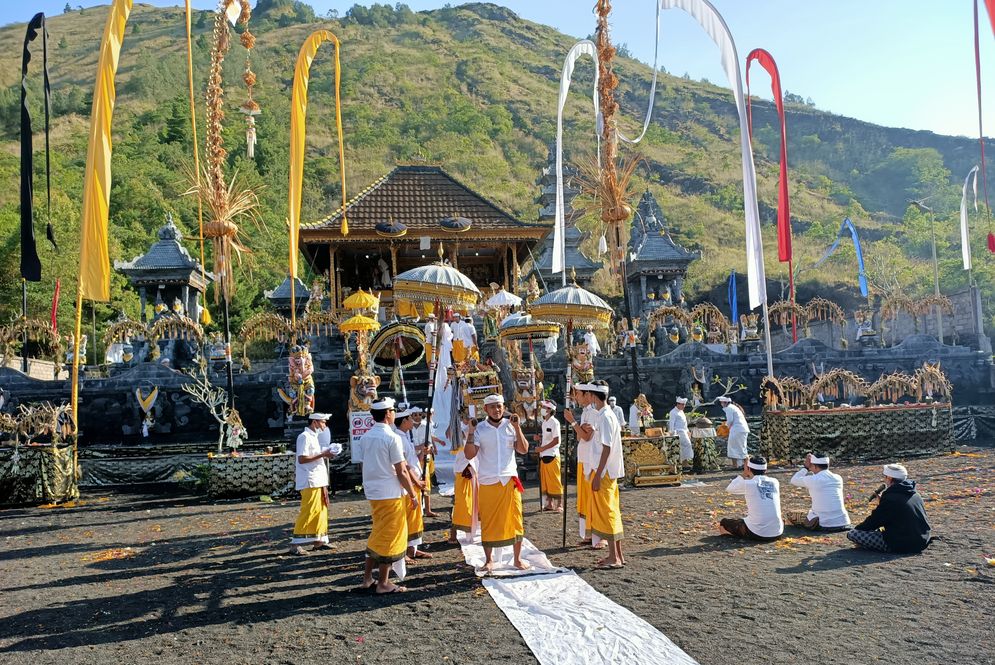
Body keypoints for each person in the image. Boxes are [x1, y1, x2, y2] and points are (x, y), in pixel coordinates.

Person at [464, 394, 529, 572]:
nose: (496, 410)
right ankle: (489, 559)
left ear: (503, 406)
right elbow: (469, 454)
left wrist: (517, 427)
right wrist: (470, 432)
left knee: (516, 520)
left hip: (509, 480)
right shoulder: (480, 429)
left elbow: (523, 449)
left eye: (499, 406)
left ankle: (517, 558)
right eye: (492, 407)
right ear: (485, 409)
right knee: (489, 522)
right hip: (488, 480)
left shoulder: (511, 426)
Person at [360, 397, 419, 593]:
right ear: (387, 414)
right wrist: (412, 494)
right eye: (393, 410)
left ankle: (368, 578)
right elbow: (401, 471)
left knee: (378, 532)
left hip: (374, 490)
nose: (394, 413)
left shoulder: (366, 437)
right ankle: (383, 582)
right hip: (389, 492)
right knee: (389, 535)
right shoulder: (391, 437)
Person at [847, 464, 932, 553]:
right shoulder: (915, 494)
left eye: (885, 477)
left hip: (903, 543)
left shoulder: (891, 498)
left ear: (890, 478)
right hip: (922, 540)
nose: (884, 479)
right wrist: (882, 503)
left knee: (852, 534)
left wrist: (858, 529)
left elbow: (874, 521)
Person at [585, 381, 626, 568]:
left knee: (608, 511)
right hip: (606, 470)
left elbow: (607, 448)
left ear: (594, 397)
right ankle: (617, 555)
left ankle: (614, 557)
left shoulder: (605, 417)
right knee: (611, 510)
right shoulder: (606, 416)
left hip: (605, 471)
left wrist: (598, 474)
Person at [289, 413, 338, 555]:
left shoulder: (313, 437)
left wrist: (326, 453)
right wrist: (323, 454)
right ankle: (295, 543)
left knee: (321, 510)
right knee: (309, 510)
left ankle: (319, 541)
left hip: (318, 479)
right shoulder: (304, 437)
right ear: (315, 422)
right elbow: (302, 459)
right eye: (323, 422)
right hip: (310, 480)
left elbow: (314, 456)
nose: (324, 425)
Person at [564, 384, 603, 548]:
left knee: (593, 498)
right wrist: (578, 428)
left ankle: (600, 535)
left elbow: (586, 437)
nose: (576, 398)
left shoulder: (594, 414)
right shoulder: (586, 413)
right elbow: (581, 437)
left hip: (591, 461)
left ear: (588, 395)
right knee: (585, 498)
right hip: (583, 459)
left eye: (578, 394)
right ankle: (590, 533)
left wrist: (573, 423)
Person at [394, 407, 431, 563]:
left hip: (416, 478)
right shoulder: (398, 438)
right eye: (409, 419)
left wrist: (423, 452)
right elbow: (404, 466)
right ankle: (406, 550)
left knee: (417, 516)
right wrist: (416, 481)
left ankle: (413, 548)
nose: (412, 421)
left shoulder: (404, 436)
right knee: (410, 516)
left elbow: (412, 460)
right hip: (410, 482)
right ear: (404, 421)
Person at [718, 455, 783, 542]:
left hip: (757, 533)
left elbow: (730, 488)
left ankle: (729, 537)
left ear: (748, 469)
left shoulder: (749, 484)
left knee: (724, 522)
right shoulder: (775, 482)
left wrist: (744, 474)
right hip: (777, 532)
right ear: (765, 470)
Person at [787, 453, 852, 532]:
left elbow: (794, 480)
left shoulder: (814, 479)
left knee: (791, 515)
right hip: (844, 521)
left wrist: (806, 468)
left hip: (824, 524)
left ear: (814, 466)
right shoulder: (838, 478)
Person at [448, 420, 478, 543]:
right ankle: (454, 532)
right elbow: (450, 435)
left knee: (475, 503)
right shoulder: (457, 428)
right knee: (462, 503)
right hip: (462, 472)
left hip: (475, 471)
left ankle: (473, 532)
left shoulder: (479, 427)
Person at [409, 407, 438, 517]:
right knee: (413, 481)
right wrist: (418, 448)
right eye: (415, 415)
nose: (417, 417)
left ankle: (428, 509)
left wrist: (423, 451)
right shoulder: (408, 427)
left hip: (425, 455)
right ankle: (416, 507)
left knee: (425, 482)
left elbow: (429, 442)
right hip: (412, 457)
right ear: (411, 416)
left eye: (419, 415)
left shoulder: (426, 426)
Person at [535, 400, 563, 512]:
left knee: (555, 480)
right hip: (543, 455)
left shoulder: (554, 422)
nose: (542, 408)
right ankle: (550, 503)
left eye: (544, 407)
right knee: (546, 481)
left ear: (550, 410)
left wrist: (542, 448)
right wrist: (540, 439)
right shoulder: (544, 423)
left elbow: (556, 440)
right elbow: (548, 438)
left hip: (552, 455)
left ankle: (560, 504)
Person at [718, 395, 749, 468]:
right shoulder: (733, 407)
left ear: (724, 402)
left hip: (737, 430)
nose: (721, 404)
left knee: (735, 447)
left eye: (721, 403)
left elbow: (730, 421)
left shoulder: (729, 408)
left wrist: (725, 428)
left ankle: (741, 465)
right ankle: (740, 465)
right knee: (739, 447)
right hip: (739, 429)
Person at [668, 397, 693, 464]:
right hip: (678, 432)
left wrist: (687, 431)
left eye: (684, 405)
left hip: (684, 431)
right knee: (687, 445)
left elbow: (684, 423)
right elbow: (671, 423)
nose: (684, 406)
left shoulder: (681, 411)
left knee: (685, 446)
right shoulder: (673, 412)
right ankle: (684, 462)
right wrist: (672, 433)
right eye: (682, 404)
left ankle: (685, 462)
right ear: (678, 404)